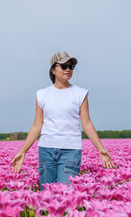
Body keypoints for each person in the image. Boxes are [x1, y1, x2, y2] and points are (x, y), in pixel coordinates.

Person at [10, 51, 115, 190]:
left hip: (70, 150)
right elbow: (37, 126)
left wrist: (100, 149)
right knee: (46, 195)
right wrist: (23, 151)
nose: (68, 69)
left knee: (66, 195)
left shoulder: (80, 93)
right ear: (53, 70)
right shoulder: (42, 94)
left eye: (71, 67)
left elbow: (86, 123)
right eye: (64, 66)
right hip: (46, 150)